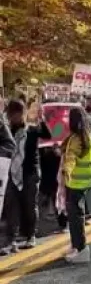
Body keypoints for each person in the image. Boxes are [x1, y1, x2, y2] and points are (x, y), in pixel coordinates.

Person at [0, 99, 44, 255]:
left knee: (30, 206)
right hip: (11, 173)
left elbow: (50, 135)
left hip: (30, 173)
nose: (15, 118)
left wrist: (41, 118)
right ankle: (10, 240)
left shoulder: (32, 130)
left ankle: (30, 236)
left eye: (19, 114)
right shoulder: (6, 131)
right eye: (12, 114)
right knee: (11, 207)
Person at [62, 106, 91, 264]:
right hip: (87, 180)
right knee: (77, 214)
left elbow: (70, 158)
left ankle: (81, 248)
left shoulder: (75, 138)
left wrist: (65, 172)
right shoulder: (89, 136)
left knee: (75, 216)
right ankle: (77, 246)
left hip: (75, 181)